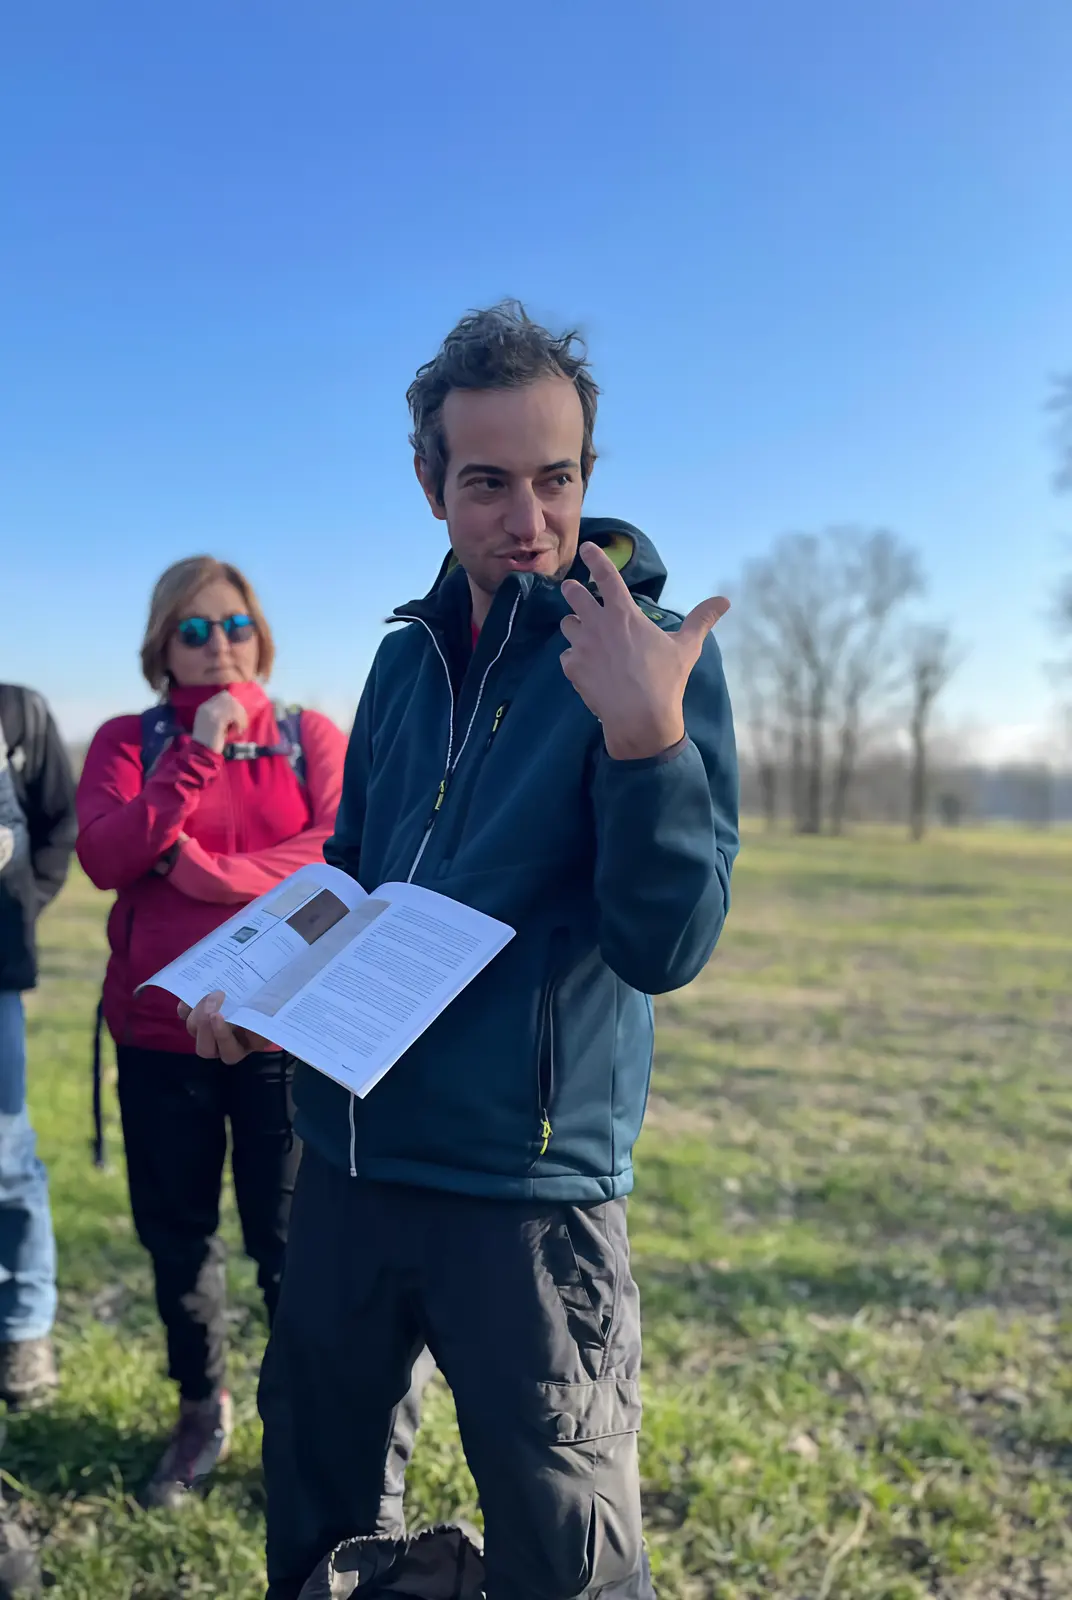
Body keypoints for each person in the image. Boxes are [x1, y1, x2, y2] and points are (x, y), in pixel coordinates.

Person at [185, 302, 740, 1599]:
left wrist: (647, 743)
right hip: (348, 1151)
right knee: (319, 1500)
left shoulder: (645, 659)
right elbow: (353, 877)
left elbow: (667, 945)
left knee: (568, 1551)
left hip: (523, 1189)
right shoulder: (402, 661)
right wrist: (270, 985)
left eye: (557, 479)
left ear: (587, 477)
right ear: (432, 484)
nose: (528, 520)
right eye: (487, 483)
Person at [76, 557, 346, 1508]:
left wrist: (203, 877)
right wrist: (192, 756)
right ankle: (201, 1410)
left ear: (259, 633)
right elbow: (108, 856)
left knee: (289, 1240)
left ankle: (303, 1417)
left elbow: (334, 854)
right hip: (160, 1035)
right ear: (163, 645)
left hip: (282, 1036)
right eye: (193, 631)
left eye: (232, 625)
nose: (217, 644)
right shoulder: (126, 740)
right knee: (179, 1236)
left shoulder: (310, 737)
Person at [0, 683, 77, 1411]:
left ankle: (24, 1324)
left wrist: (26, 905)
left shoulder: (17, 712)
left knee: (6, 1156)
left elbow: (59, 823)